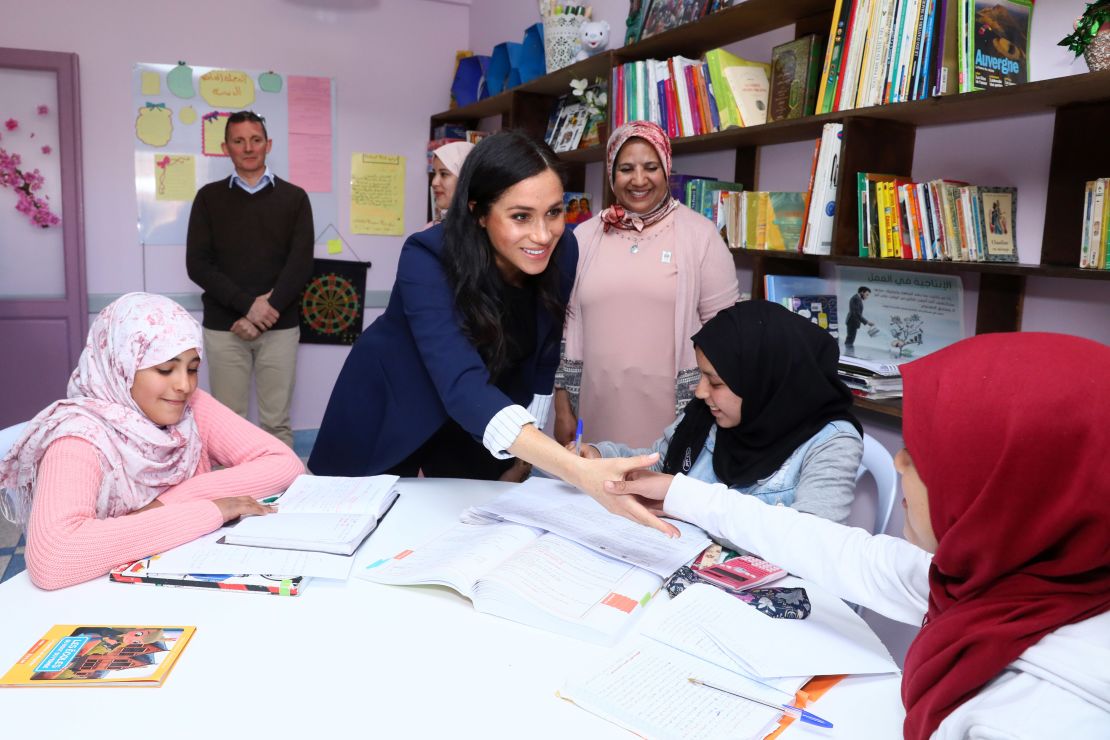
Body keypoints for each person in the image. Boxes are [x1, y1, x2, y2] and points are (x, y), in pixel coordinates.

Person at [605, 332, 1110, 739]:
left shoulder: (1038, 715)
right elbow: (833, 547)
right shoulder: (1004, 582)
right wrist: (680, 493)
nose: (899, 462)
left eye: (925, 456)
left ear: (1006, 490)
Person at [308, 131, 673, 534]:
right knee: (343, 530)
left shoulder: (564, 247)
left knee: (474, 526)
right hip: (394, 401)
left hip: (482, 413)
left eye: (554, 212)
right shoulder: (427, 256)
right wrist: (574, 469)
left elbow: (543, 352)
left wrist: (524, 457)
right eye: (520, 216)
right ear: (478, 212)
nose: (542, 234)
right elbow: (460, 382)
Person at [0, 293, 304, 591]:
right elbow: (53, 558)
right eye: (164, 369)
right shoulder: (78, 436)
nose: (184, 385)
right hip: (98, 602)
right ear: (121, 366)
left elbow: (285, 465)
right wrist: (210, 511)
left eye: (193, 368)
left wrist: (169, 502)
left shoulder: (191, 408)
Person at [576, 301, 862, 523]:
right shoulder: (708, 416)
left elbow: (812, 542)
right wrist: (600, 456)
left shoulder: (832, 443)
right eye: (702, 377)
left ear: (761, 380)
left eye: (715, 382)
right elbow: (656, 466)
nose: (700, 392)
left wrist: (687, 500)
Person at [554, 120, 739, 448]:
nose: (639, 180)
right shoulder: (583, 237)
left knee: (658, 492)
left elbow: (726, 333)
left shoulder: (700, 236)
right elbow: (563, 327)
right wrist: (562, 405)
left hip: (675, 412)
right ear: (612, 173)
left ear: (666, 168)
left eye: (650, 167)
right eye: (626, 168)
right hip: (595, 406)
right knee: (594, 489)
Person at [186, 110, 314, 448]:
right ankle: (235, 499)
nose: (248, 148)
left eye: (255, 140)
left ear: (268, 145)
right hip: (225, 328)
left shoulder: (295, 199)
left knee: (277, 425)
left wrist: (266, 310)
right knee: (229, 426)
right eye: (238, 141)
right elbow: (197, 264)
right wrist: (247, 307)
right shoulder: (208, 199)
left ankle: (283, 499)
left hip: (280, 326)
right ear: (225, 147)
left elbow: (300, 264)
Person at [428, 141, 476, 227]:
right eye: (434, 173)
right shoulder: (428, 234)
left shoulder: (490, 231)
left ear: (466, 178)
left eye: (444, 174)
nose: (434, 183)